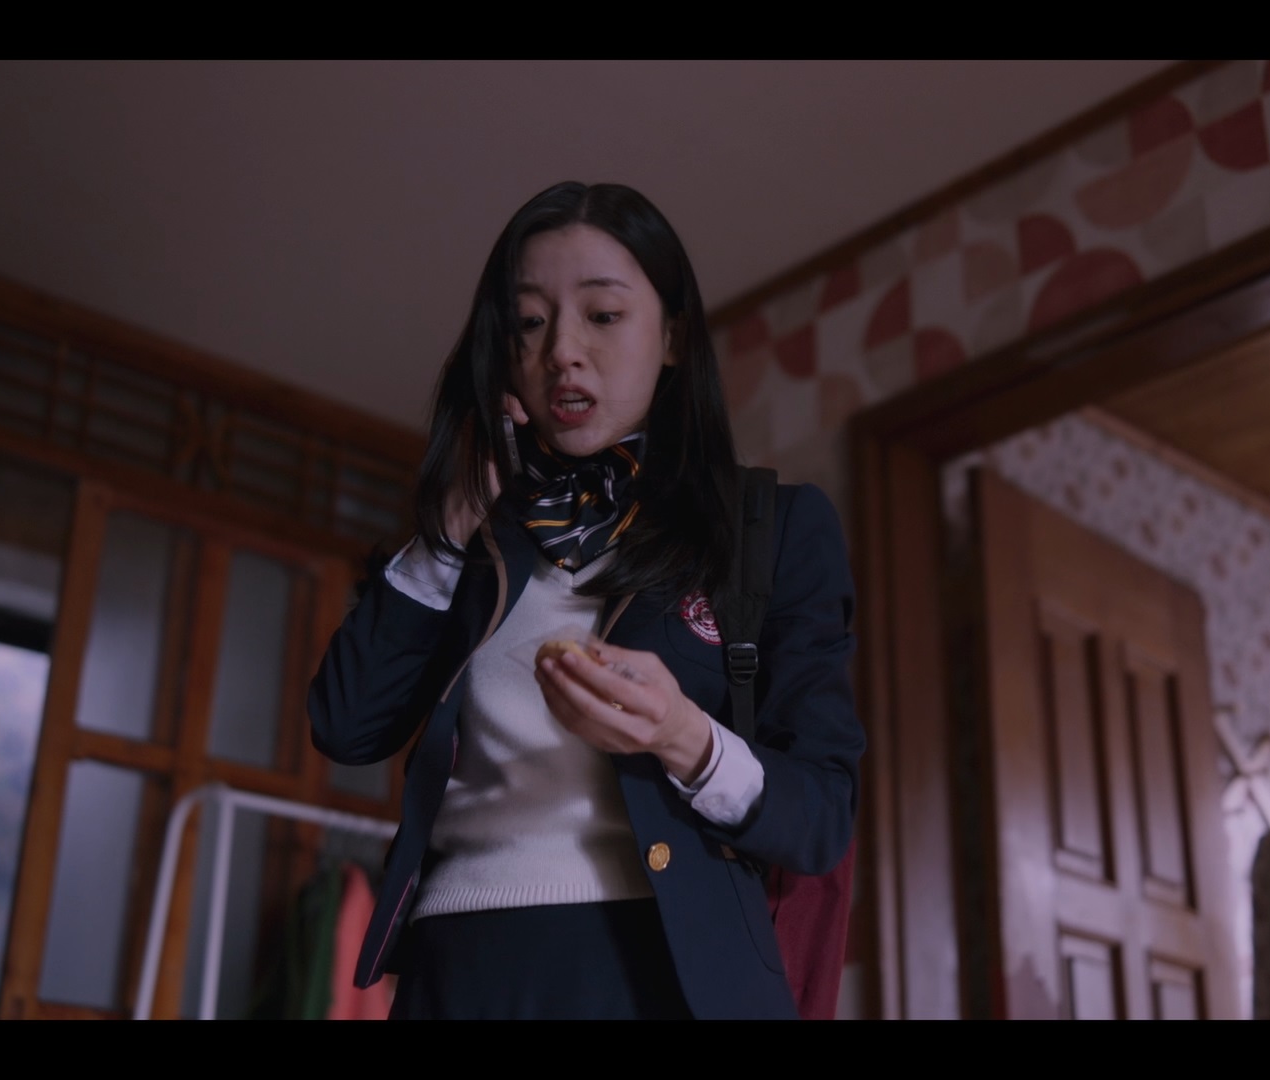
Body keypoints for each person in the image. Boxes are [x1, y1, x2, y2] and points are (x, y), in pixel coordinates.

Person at [307, 181, 861, 1020]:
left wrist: (682, 736)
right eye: (530, 323)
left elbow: (821, 815)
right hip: (458, 963)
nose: (562, 350)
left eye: (603, 315)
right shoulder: (476, 535)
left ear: (673, 336)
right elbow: (345, 726)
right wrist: (448, 530)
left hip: (663, 969)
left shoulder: (770, 528)